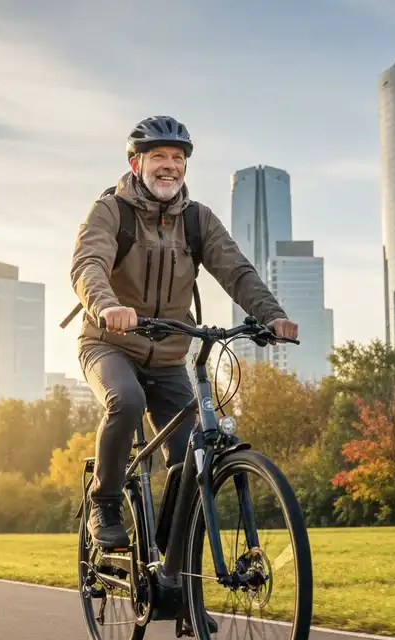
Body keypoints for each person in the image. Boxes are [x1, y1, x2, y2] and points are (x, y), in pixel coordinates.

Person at [70, 115, 298, 550]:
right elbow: (88, 264)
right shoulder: (110, 212)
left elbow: (237, 270)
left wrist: (272, 315)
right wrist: (107, 307)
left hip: (169, 356)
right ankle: (105, 501)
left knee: (193, 454)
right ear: (136, 164)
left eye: (177, 158)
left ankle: (172, 565)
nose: (169, 166)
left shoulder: (197, 220)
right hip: (109, 344)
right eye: (158, 156)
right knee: (127, 401)